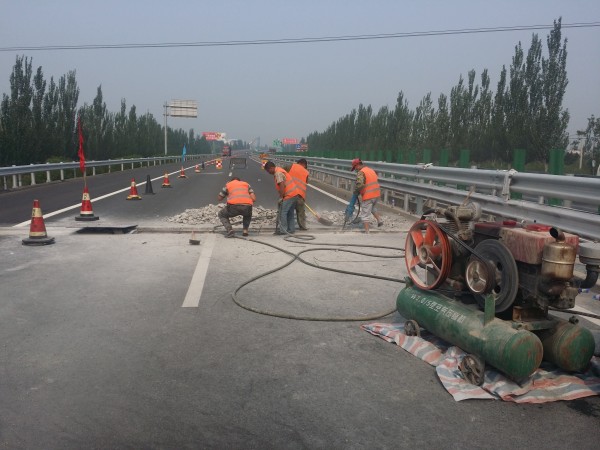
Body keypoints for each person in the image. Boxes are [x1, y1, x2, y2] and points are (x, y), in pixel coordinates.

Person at [263, 160, 300, 235]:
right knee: (290, 213)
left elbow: (282, 185)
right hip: (294, 194)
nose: (268, 172)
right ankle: (291, 229)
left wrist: (281, 197)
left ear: (271, 168)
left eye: (268, 171)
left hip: (289, 195)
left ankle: (283, 230)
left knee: (283, 212)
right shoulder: (280, 170)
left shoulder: (278, 173)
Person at [350, 158, 383, 233]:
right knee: (372, 208)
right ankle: (379, 220)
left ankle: (367, 231)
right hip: (376, 194)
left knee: (365, 214)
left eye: (355, 168)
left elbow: (360, 184)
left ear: (358, 165)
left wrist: (356, 191)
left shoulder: (361, 172)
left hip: (368, 195)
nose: (355, 170)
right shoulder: (370, 170)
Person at [284, 158, 309, 230]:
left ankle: (285, 226)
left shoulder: (290, 166)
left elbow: (281, 172)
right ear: (303, 164)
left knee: (286, 210)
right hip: (300, 195)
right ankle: (303, 226)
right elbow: (306, 182)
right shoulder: (306, 172)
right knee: (301, 212)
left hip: (289, 193)